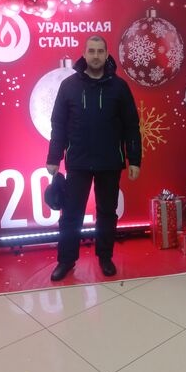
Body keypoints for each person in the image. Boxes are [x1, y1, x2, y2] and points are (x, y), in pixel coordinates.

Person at [46, 35, 142, 281]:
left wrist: (134, 159)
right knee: (71, 214)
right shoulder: (68, 86)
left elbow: (131, 125)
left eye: (100, 51)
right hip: (78, 161)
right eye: (92, 51)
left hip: (110, 161)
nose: (96, 55)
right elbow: (58, 124)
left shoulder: (119, 87)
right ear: (84, 54)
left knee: (107, 212)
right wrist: (54, 157)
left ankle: (105, 257)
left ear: (107, 54)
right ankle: (66, 260)